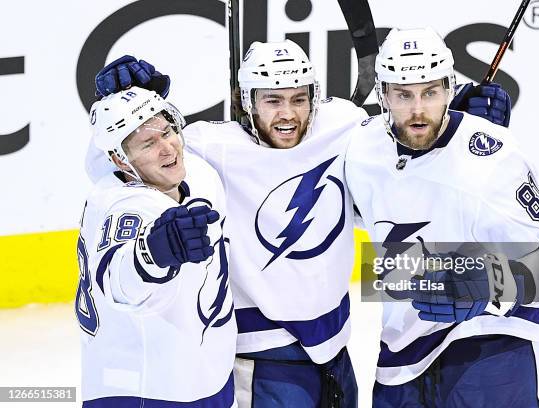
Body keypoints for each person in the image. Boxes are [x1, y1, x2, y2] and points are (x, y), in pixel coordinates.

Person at [88, 39, 511, 407]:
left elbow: (405, 146)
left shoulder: (344, 126)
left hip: (337, 351)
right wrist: (131, 103)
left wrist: (455, 121)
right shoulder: (207, 146)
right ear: (247, 101)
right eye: (272, 100)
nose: (287, 114)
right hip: (262, 360)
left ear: (315, 96)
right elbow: (119, 166)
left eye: (298, 98)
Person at [345, 27, 539, 407]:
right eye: (403, 94)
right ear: (382, 94)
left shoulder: (491, 157)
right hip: (400, 363)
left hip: (494, 351)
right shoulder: (359, 150)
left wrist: (493, 281)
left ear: (450, 88)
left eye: (430, 92)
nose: (418, 109)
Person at [77, 87, 236, 407]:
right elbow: (117, 281)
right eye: (149, 143)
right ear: (120, 160)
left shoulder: (194, 173)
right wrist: (151, 253)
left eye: (167, 132)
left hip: (203, 378)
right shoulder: (124, 207)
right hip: (143, 393)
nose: (168, 148)